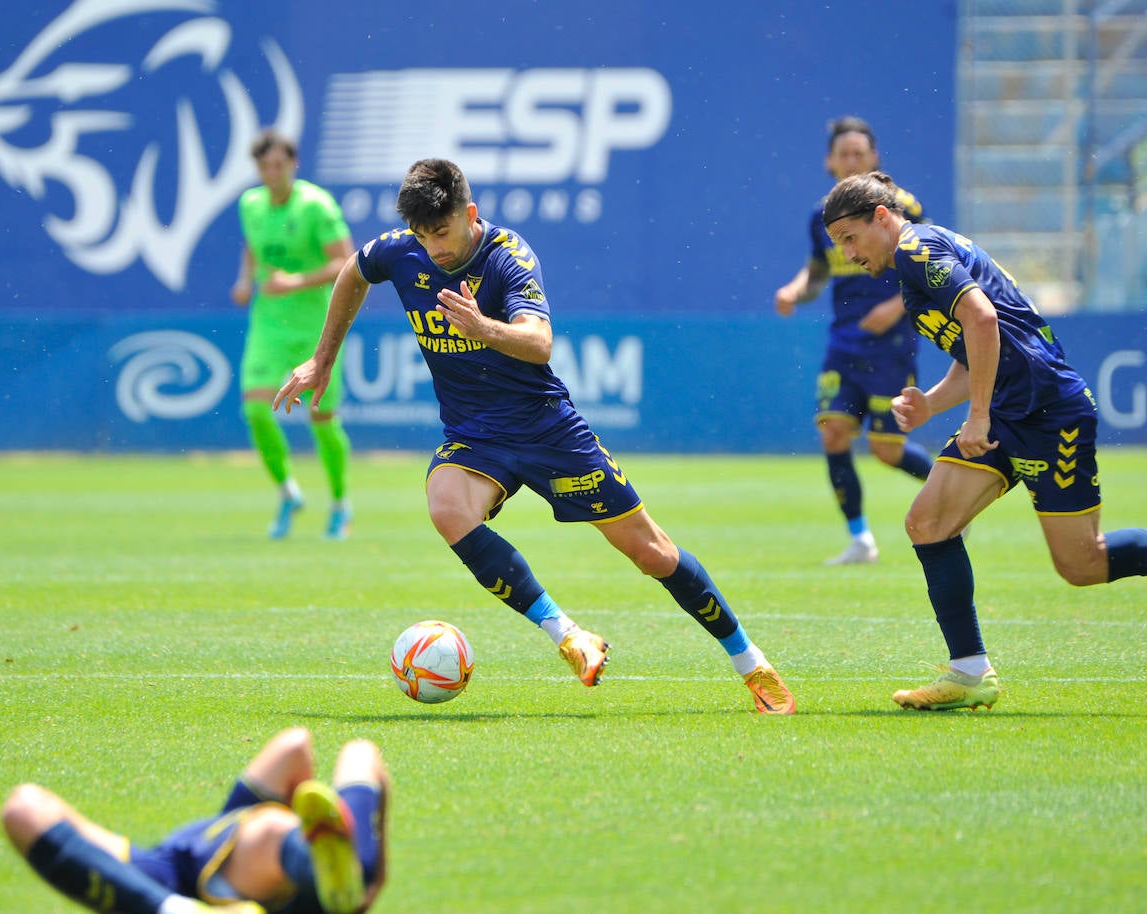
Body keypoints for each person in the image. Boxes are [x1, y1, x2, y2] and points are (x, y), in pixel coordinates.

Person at [275, 158, 795, 714]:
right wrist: (322, 359)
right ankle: (570, 636)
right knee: (448, 508)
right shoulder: (400, 249)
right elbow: (353, 272)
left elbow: (539, 342)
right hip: (474, 433)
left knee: (651, 553)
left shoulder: (508, 256)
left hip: (545, 427)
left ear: (470, 215)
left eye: (443, 233)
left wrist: (481, 328)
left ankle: (752, 663)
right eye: (423, 236)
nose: (433, 249)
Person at [821, 170, 1147, 711]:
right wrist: (931, 401)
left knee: (1082, 565)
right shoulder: (916, 265)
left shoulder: (916, 250)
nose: (850, 254)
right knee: (927, 523)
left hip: (1048, 413)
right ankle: (970, 671)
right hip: (1008, 410)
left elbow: (982, 317)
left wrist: (976, 417)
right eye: (840, 245)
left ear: (882, 216)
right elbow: (975, 345)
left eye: (851, 238)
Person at [0, 727, 388, 914]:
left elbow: (294, 755)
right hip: (192, 867)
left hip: (189, 882)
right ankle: (344, 867)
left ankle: (175, 911)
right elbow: (295, 753)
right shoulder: (253, 827)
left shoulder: (254, 832)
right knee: (357, 753)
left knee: (275, 818)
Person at [774, 117, 934, 566]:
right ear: (829, 161)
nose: (850, 161)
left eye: (858, 154)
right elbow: (817, 272)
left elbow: (934, 261)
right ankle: (861, 539)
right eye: (843, 154)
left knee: (887, 451)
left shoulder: (901, 206)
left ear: (874, 159)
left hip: (890, 345)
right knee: (833, 433)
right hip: (844, 343)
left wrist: (897, 306)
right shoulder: (822, 216)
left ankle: (953, 491)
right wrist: (794, 289)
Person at [231, 128, 357, 540]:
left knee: (321, 420)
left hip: (316, 328)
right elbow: (253, 246)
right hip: (268, 323)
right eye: (265, 166)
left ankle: (340, 504)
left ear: (293, 164)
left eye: (279, 164)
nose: (272, 172)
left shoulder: (316, 205)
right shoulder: (250, 204)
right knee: (254, 410)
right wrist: (245, 279)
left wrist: (296, 281)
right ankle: (288, 492)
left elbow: (346, 262)